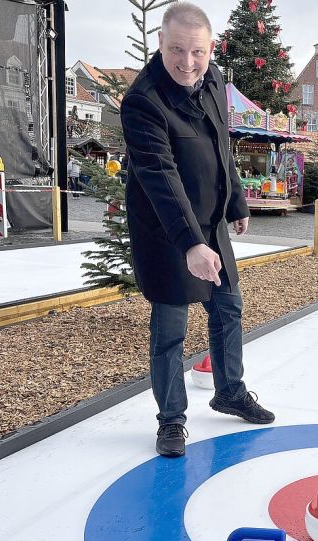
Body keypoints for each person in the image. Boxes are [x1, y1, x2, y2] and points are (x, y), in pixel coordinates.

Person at [121, 1, 274, 459]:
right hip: (167, 232)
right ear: (161, 45)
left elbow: (222, 147)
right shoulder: (143, 102)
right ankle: (171, 420)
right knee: (171, 328)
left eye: (198, 52)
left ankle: (230, 390)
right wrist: (190, 243)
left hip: (211, 223)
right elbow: (161, 178)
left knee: (228, 309)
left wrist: (235, 201)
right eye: (176, 51)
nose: (188, 63)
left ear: (211, 50)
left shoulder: (215, 80)